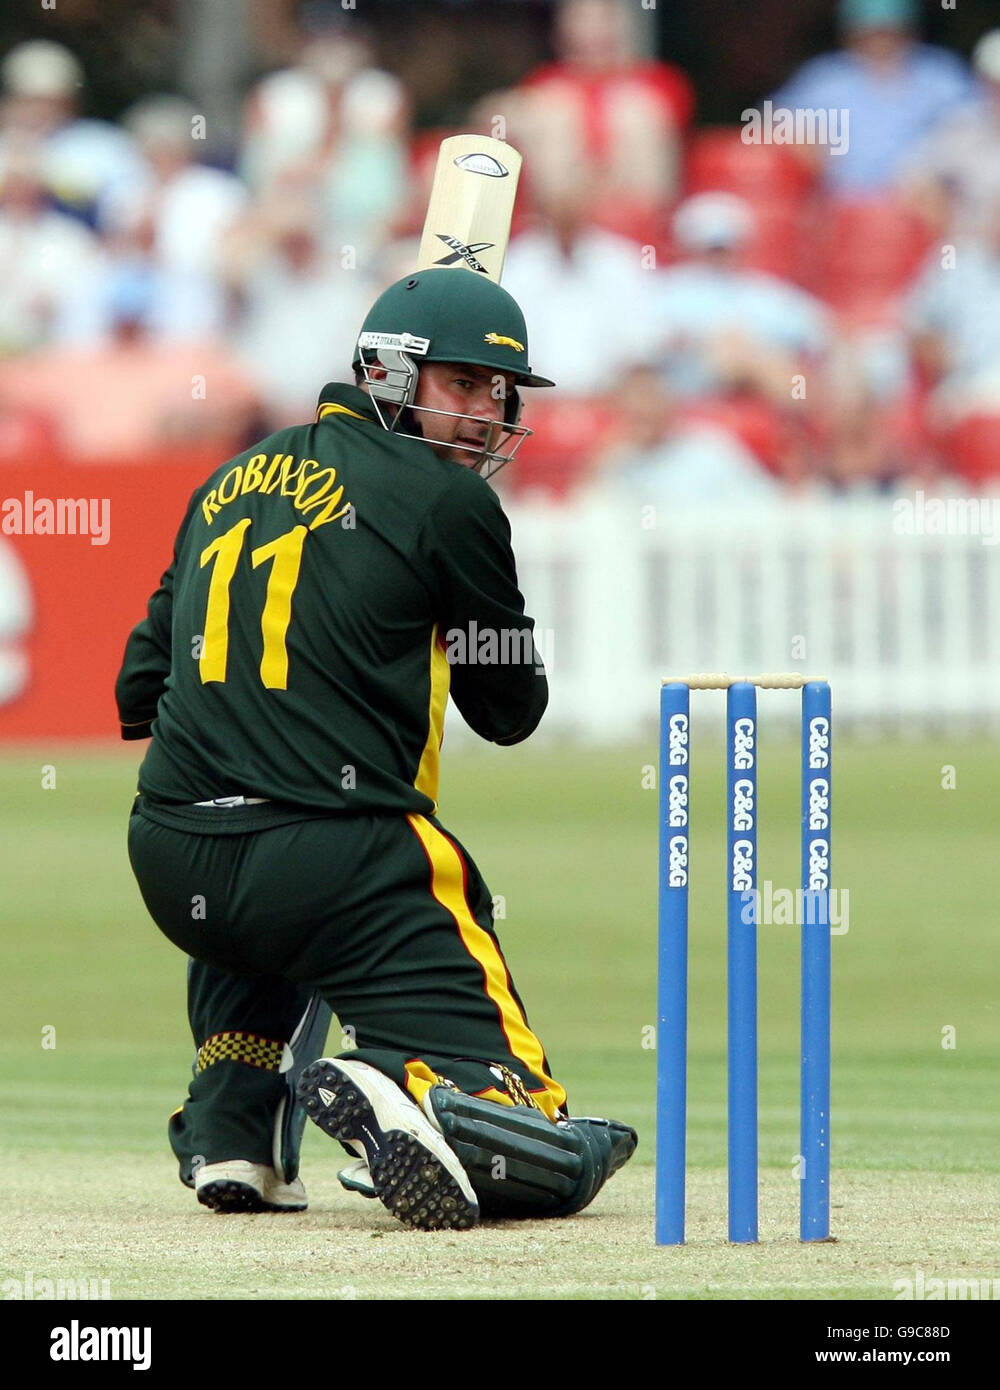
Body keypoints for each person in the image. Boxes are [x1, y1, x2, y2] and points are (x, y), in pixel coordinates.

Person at [117, 267, 637, 1231]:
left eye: (499, 391)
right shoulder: (451, 507)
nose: (488, 413)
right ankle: (406, 1082)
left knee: (267, 873)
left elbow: (137, 691)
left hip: (171, 854)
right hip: (335, 864)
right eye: (464, 385)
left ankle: (235, 1123)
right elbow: (512, 707)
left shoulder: (227, 480)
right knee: (553, 1148)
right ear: (391, 377)